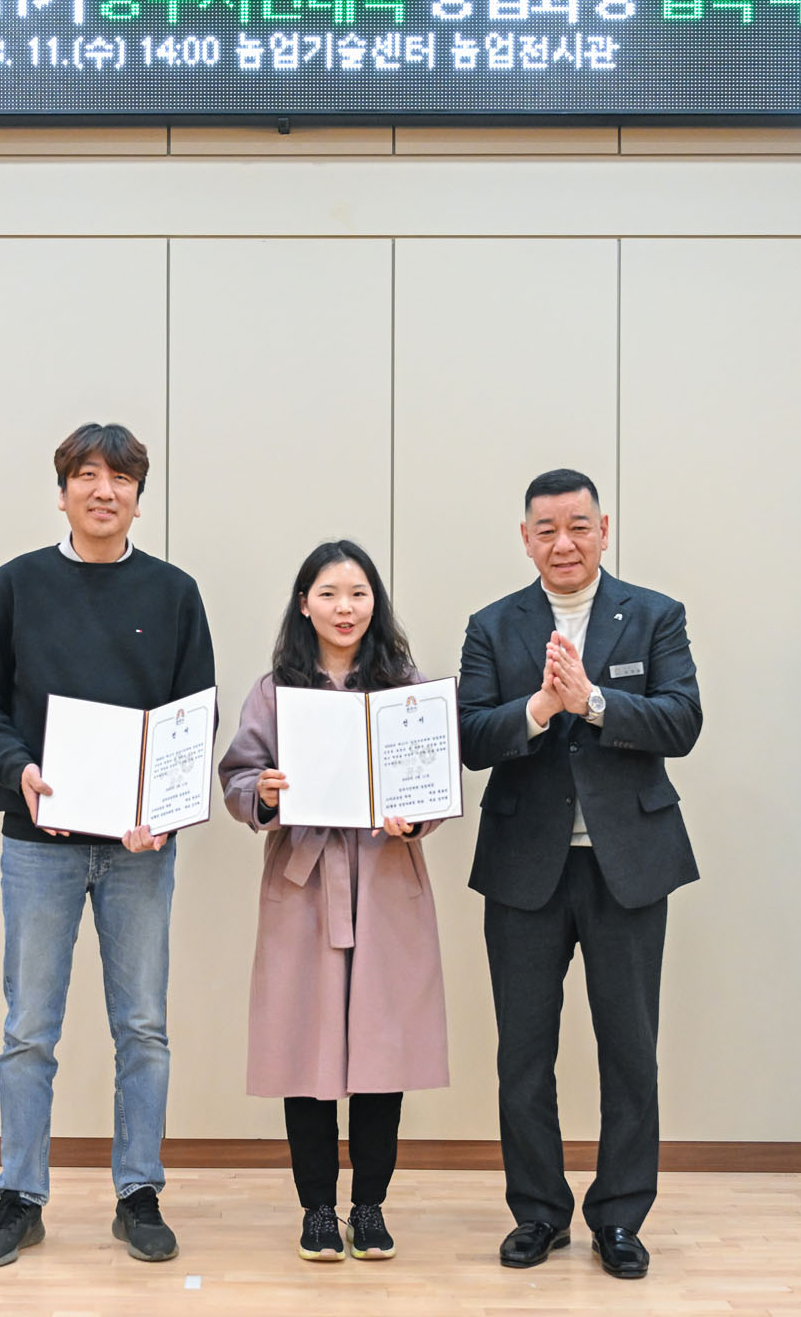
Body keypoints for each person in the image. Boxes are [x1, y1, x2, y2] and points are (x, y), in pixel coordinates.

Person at [0, 423, 216, 1268]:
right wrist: (19, 768)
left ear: (140, 496)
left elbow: (193, 718)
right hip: (39, 844)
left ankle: (139, 1193)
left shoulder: (174, 594)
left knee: (144, 1027)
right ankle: (19, 1197)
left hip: (139, 849)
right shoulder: (16, 586)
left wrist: (164, 809)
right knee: (29, 1028)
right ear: (62, 490)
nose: (105, 491)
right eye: (88, 476)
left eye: (122, 479)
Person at [455, 469, 702, 1281]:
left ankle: (620, 1217)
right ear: (526, 539)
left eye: (579, 526)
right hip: (524, 869)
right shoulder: (493, 626)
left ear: (604, 529)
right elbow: (470, 737)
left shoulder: (655, 615)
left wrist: (593, 701)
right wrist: (539, 709)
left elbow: (682, 721)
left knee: (630, 1049)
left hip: (627, 865)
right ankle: (538, 1212)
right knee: (523, 1053)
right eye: (547, 530)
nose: (564, 543)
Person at [218, 540, 449, 1264]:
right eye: (328, 593)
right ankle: (317, 1208)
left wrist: (415, 815)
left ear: (375, 602)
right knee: (306, 1048)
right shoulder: (275, 691)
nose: (344, 608)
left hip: (385, 881)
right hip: (306, 887)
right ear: (304, 604)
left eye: (358, 593)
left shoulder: (405, 686)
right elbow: (238, 777)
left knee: (383, 1048)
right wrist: (264, 792)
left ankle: (369, 1206)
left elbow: (433, 779)